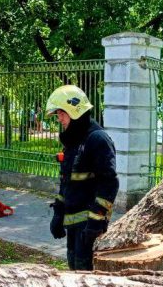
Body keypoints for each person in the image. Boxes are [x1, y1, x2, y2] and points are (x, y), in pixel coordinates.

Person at [46, 85, 118, 270]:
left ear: (75, 111)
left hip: (89, 227)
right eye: (58, 114)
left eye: (62, 113)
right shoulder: (74, 140)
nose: (59, 119)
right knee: (74, 268)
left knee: (86, 275)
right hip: (73, 225)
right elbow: (67, 182)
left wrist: (96, 220)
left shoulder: (97, 139)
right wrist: (58, 213)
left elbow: (109, 183)